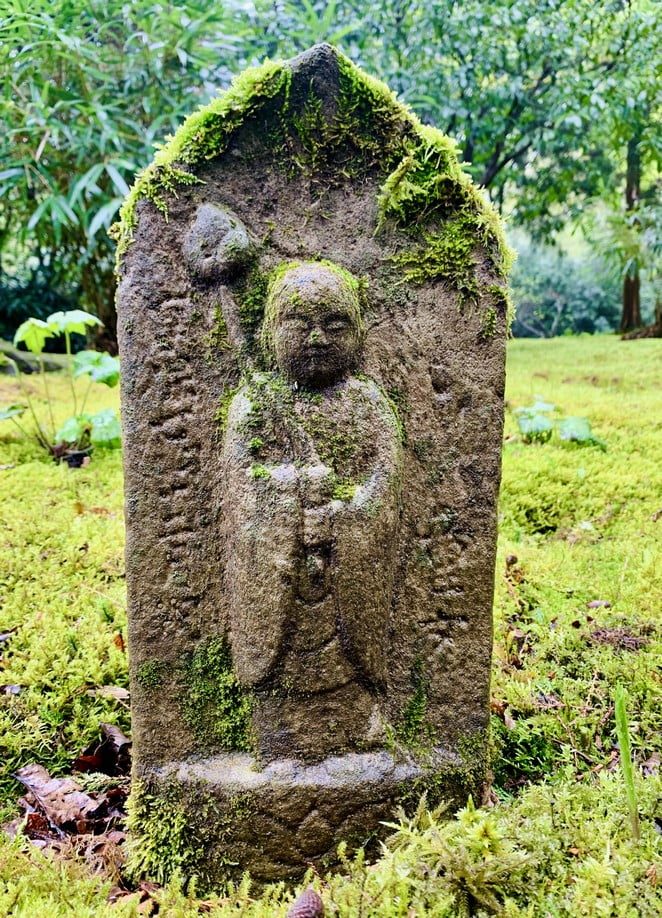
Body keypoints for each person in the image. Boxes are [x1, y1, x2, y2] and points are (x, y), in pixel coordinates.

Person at [222, 261, 403, 762]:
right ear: (269, 332)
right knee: (288, 663)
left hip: (347, 574)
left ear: (358, 333)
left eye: (335, 325)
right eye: (299, 324)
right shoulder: (254, 404)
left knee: (343, 658)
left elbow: (384, 485)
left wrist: (344, 514)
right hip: (283, 574)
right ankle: (277, 745)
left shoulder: (368, 405)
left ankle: (359, 734)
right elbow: (243, 486)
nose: (318, 338)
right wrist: (294, 491)